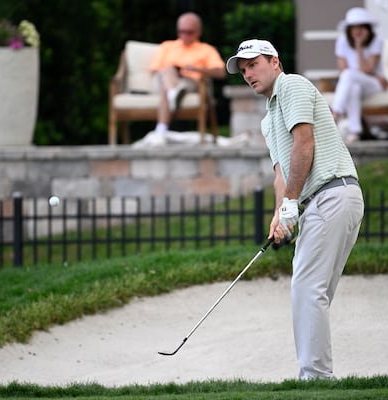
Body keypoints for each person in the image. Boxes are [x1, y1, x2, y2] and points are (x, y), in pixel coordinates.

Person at [226, 39, 364, 380]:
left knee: (306, 288)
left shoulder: (293, 85)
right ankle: (317, 375)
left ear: (275, 61)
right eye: (243, 70)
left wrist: (291, 203)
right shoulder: (268, 119)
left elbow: (305, 144)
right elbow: (281, 176)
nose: (248, 74)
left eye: (253, 64)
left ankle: (315, 376)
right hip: (322, 201)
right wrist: (279, 214)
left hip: (333, 193)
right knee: (312, 292)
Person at [146, 12, 225, 143]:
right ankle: (174, 94)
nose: (185, 35)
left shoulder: (206, 49)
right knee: (167, 70)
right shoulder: (167, 46)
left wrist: (195, 69)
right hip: (165, 79)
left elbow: (221, 72)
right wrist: (175, 70)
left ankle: (160, 131)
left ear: (198, 32)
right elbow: (155, 69)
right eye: (182, 31)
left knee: (168, 87)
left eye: (189, 32)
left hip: (191, 83)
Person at [331, 7, 388, 144]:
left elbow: (367, 69)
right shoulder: (342, 41)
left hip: (374, 84)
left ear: (368, 29)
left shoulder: (377, 41)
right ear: (349, 29)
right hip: (353, 82)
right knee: (353, 87)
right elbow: (342, 68)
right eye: (354, 27)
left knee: (349, 75)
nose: (357, 31)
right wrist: (357, 71)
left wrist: (359, 47)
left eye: (361, 27)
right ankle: (355, 131)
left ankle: (334, 115)